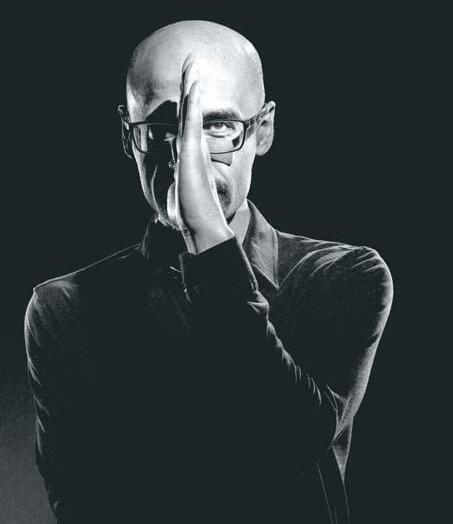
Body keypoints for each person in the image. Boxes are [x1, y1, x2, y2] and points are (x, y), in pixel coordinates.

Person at [24, 20, 393, 524]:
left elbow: (289, 441)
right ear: (128, 136)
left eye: (217, 126)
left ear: (262, 130)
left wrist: (209, 242)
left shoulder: (342, 276)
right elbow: (82, 502)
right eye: (162, 130)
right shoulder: (64, 307)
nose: (187, 158)